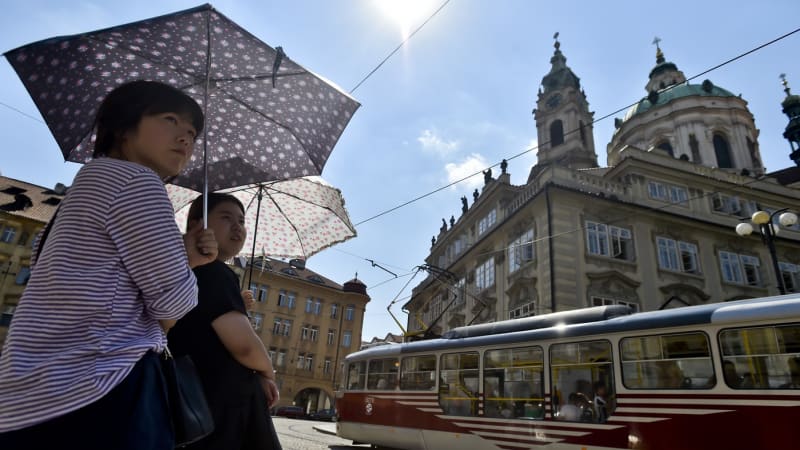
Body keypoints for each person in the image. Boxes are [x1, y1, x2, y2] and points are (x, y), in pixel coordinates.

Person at [0, 80, 217, 450]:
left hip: (29, 393)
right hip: (101, 384)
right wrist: (193, 262)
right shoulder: (138, 182)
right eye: (170, 119)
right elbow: (173, 307)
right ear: (122, 127)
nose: (185, 138)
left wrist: (185, 256)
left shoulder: (84, 186)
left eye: (193, 132)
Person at [169, 193, 282, 450]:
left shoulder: (180, 265)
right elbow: (244, 346)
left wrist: (236, 304)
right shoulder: (214, 271)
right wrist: (266, 372)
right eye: (226, 217)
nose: (237, 227)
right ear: (198, 225)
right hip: (220, 404)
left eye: (241, 221)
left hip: (192, 399)